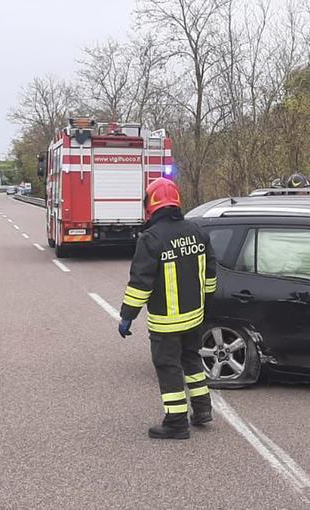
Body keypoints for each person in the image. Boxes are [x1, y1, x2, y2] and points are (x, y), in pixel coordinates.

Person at [118, 177, 218, 439]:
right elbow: (210, 276)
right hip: (195, 317)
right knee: (192, 359)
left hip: (167, 322)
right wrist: (206, 304)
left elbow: (140, 284)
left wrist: (127, 315)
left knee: (168, 366)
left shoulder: (151, 239)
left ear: (150, 205)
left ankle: (176, 423)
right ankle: (202, 410)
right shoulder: (197, 232)